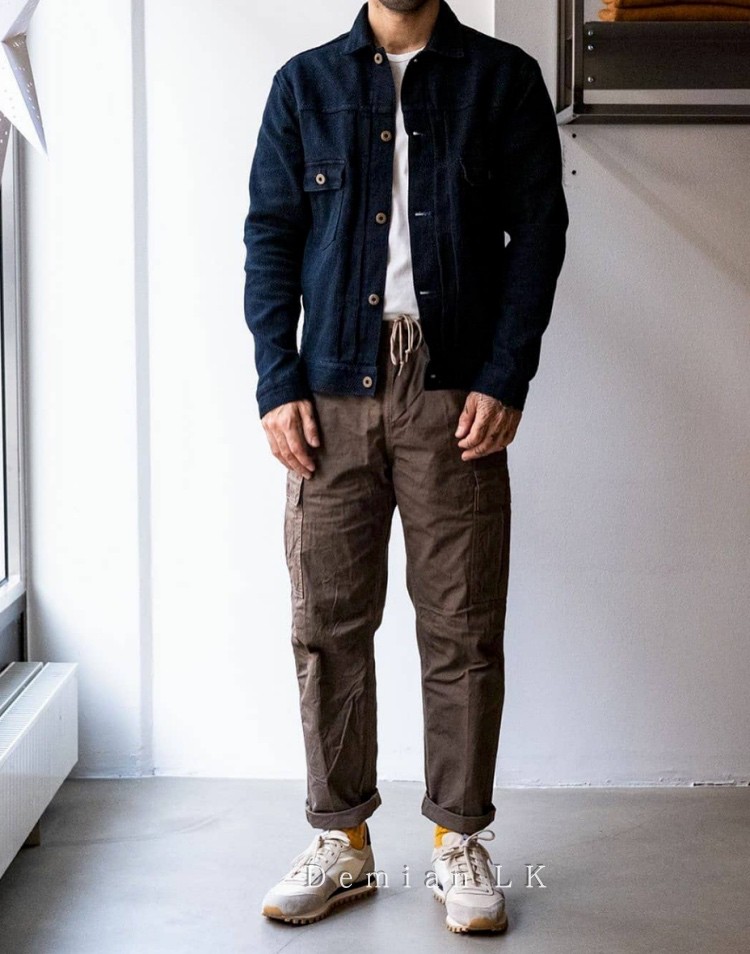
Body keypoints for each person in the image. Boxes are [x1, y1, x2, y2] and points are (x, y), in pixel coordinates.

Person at [242, 0, 568, 934]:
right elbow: (270, 237)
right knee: (327, 623)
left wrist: (505, 376)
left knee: (462, 624)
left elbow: (537, 235)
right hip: (329, 388)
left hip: (452, 386)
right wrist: (276, 383)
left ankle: (458, 838)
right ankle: (341, 842)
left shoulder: (501, 80)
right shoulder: (304, 85)